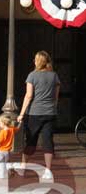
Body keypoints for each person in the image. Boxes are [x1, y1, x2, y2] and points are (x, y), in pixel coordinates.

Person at [17, 50, 60, 181]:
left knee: (30, 140)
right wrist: (52, 107)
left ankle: (23, 168)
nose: (34, 61)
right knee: (48, 141)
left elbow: (29, 96)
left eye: (35, 59)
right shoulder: (54, 76)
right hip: (50, 112)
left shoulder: (32, 76)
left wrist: (21, 113)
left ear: (38, 61)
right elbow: (56, 97)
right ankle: (48, 170)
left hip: (35, 112)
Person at [0, 113, 20, 179]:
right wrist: (20, 123)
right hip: (7, 151)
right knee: (6, 162)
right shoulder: (11, 129)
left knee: (0, 164)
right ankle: (11, 167)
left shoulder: (3, 132)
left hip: (0, 151)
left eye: (0, 123)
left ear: (3, 123)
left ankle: (1, 175)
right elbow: (18, 129)